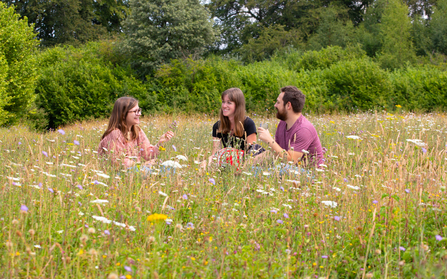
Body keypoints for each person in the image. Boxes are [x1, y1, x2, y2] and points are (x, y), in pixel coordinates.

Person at [98, 96, 174, 168]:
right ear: (123, 115)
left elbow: (147, 154)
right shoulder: (114, 134)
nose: (139, 114)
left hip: (135, 170)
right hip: (119, 175)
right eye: (135, 111)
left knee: (169, 168)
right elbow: (119, 161)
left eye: (139, 110)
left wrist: (159, 144)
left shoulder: (137, 131)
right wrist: (143, 165)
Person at [258, 86, 325, 167]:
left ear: (288, 105)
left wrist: (269, 140)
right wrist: (247, 164)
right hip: (291, 171)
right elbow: (274, 151)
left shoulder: (304, 129)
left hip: (309, 175)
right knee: (257, 169)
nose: (275, 105)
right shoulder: (283, 123)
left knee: (267, 171)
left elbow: (290, 161)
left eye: (278, 102)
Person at [204, 88, 262, 168]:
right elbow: (216, 153)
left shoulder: (248, 124)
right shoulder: (217, 126)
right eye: (223, 102)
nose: (224, 106)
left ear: (238, 105)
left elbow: (252, 153)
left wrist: (230, 151)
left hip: (244, 165)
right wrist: (208, 162)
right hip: (226, 162)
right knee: (205, 163)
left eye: (229, 103)